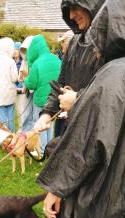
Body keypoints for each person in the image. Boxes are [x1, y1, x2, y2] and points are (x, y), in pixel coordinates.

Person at [38, 0, 125, 218]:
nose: (72, 15)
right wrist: (47, 113)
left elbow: (90, 138)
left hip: (106, 182)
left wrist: (56, 187)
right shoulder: (77, 46)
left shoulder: (115, 72)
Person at [34, 0, 106, 137]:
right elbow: (61, 83)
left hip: (96, 132)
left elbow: (113, 94)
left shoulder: (110, 43)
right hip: (71, 127)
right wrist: (46, 114)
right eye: (68, 9)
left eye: (75, 7)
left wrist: (78, 99)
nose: (71, 15)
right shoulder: (74, 42)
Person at [25, 34, 62, 155]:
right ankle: (48, 148)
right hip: (54, 99)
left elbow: (31, 84)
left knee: (39, 124)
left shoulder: (36, 63)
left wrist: (25, 79)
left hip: (40, 99)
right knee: (49, 124)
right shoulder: (57, 59)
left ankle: (41, 150)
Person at [0, 37, 18, 132]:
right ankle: (12, 134)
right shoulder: (11, 61)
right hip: (9, 91)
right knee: (10, 113)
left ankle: (4, 135)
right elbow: (14, 78)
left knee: (2, 114)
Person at [17, 36, 34, 132]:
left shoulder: (35, 61)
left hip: (34, 91)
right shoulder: (24, 61)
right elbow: (20, 77)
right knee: (26, 114)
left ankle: (32, 135)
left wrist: (26, 76)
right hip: (27, 90)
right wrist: (22, 77)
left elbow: (34, 78)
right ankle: (25, 133)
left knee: (34, 115)